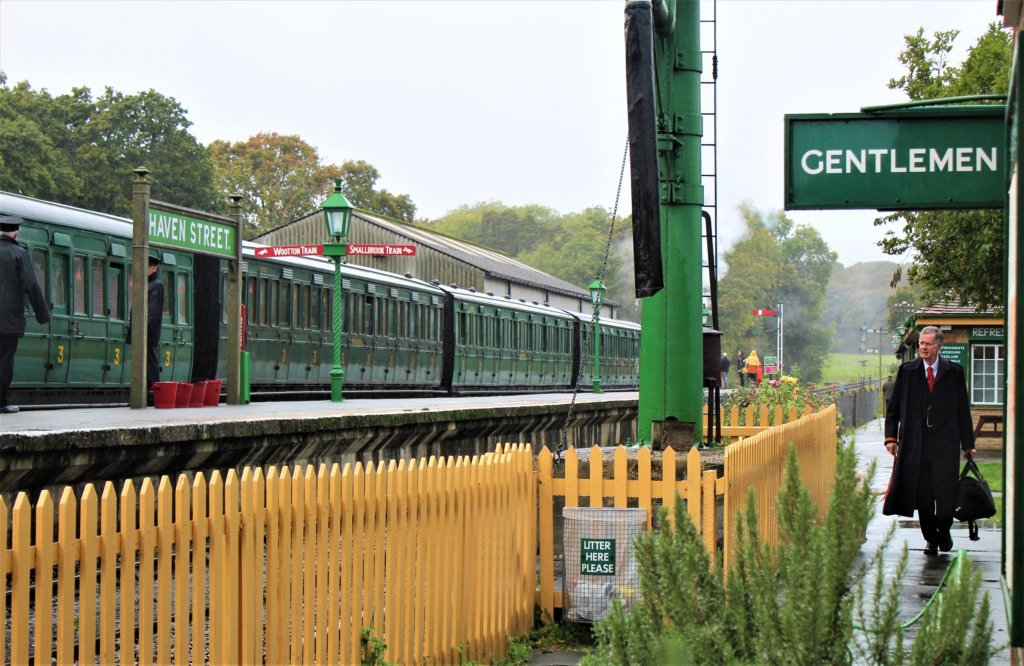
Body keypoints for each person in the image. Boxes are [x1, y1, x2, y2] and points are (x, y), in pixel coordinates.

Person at [883, 326, 976, 556]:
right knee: (923, 495)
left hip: (946, 445)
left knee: (944, 492)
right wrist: (891, 437)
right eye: (920, 344)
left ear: (938, 346)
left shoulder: (953, 372)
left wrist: (968, 443)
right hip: (917, 446)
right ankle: (931, 539)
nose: (922, 347)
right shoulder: (908, 371)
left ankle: (943, 529)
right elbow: (893, 408)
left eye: (927, 344)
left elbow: (963, 411)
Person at [0, 216, 51, 414]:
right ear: (16, 233)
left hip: (8, 320)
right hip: (9, 320)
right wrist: (43, 315)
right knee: (4, 361)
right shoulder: (19, 254)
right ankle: (1, 402)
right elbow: (31, 285)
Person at [126, 255, 165, 392]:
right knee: (142, 363)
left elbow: (153, 312)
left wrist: (143, 330)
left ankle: (153, 391)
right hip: (141, 330)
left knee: (150, 362)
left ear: (154, 268)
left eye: (146, 266)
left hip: (147, 331)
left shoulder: (156, 285)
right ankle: (143, 391)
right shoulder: (145, 283)